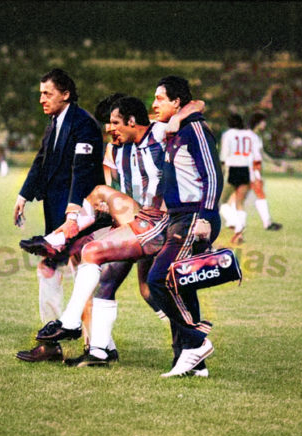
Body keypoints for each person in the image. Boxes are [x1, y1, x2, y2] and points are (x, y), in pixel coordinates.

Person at [24, 96, 206, 370]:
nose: (110, 129)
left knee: (96, 240)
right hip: (133, 223)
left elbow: (197, 103)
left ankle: (70, 315)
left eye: (114, 123)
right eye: (107, 123)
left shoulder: (157, 133)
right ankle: (99, 351)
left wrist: (179, 117)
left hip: (154, 221)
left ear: (131, 121)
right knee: (125, 286)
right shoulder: (115, 151)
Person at [14, 68, 104, 363]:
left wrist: (73, 212)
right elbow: (42, 160)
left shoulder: (83, 124)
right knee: (53, 271)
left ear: (65, 94)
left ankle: (97, 345)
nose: (41, 99)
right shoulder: (55, 122)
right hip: (58, 212)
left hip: (78, 214)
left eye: (47, 93)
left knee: (81, 275)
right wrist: (23, 195)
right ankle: (57, 342)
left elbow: (81, 171)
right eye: (41, 93)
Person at [147, 75, 223, 377]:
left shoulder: (194, 130)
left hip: (194, 216)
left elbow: (213, 175)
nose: (154, 104)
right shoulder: (172, 130)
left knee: (158, 279)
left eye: (160, 98)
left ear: (176, 102)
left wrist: (206, 216)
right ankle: (194, 365)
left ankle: (197, 341)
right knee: (184, 285)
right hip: (178, 216)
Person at [219, 111, 282, 242]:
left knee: (222, 202)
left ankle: (234, 223)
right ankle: (240, 231)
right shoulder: (250, 135)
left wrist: (221, 171)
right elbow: (256, 153)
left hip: (234, 169)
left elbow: (224, 155)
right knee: (240, 202)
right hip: (247, 169)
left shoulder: (229, 134)